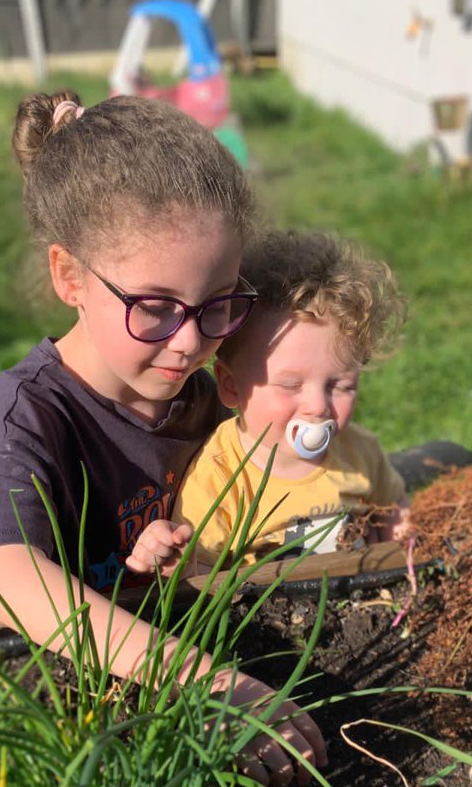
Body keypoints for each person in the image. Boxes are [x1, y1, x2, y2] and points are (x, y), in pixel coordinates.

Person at [0, 91, 325, 784]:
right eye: (155, 308)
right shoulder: (34, 411)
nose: (191, 341)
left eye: (218, 301)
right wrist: (204, 682)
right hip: (98, 681)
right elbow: (4, 575)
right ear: (69, 277)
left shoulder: (203, 393)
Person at [125, 228, 410, 574]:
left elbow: (394, 508)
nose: (318, 406)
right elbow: (201, 573)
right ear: (230, 386)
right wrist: (174, 560)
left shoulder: (360, 452)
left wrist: (404, 540)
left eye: (340, 385)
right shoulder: (222, 475)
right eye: (291, 385)